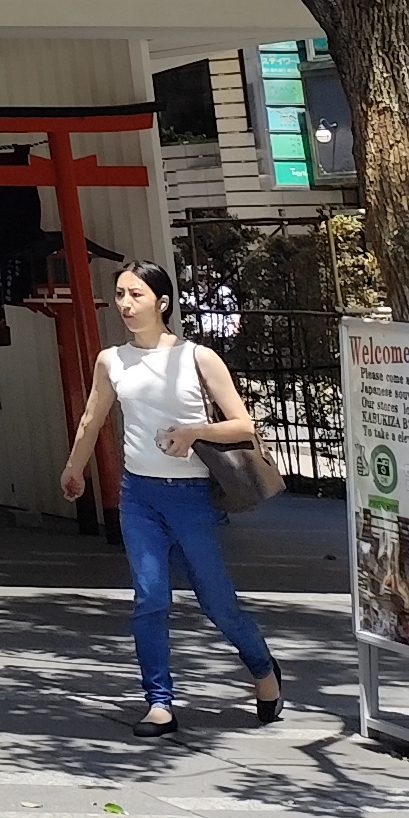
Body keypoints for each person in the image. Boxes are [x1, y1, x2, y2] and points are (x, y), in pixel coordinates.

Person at [58, 257, 281, 733]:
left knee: (217, 602)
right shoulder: (112, 360)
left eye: (136, 295)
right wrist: (74, 467)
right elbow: (92, 418)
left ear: (162, 302)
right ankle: (160, 701)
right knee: (150, 598)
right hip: (138, 496)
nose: (126, 304)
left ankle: (263, 669)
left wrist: (194, 431)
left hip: (192, 497)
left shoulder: (197, 357)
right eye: (120, 294)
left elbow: (243, 425)